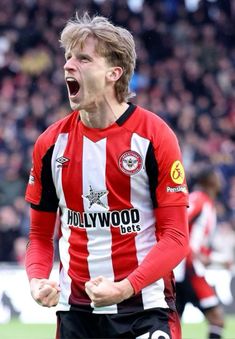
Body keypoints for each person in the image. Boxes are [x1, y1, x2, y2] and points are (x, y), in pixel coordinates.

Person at [25, 12, 189, 339]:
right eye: (68, 57)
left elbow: (176, 237)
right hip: (76, 314)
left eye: (83, 59)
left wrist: (125, 287)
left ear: (114, 73)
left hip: (144, 308)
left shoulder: (154, 136)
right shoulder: (49, 145)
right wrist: (37, 279)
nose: (68, 66)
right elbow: (41, 237)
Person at [175, 167, 225, 339]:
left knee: (172, 323)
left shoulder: (208, 204)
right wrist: (191, 253)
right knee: (217, 318)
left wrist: (212, 257)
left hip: (185, 267)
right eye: (216, 176)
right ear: (208, 181)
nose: (221, 179)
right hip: (188, 268)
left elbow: (199, 242)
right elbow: (179, 222)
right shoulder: (199, 199)